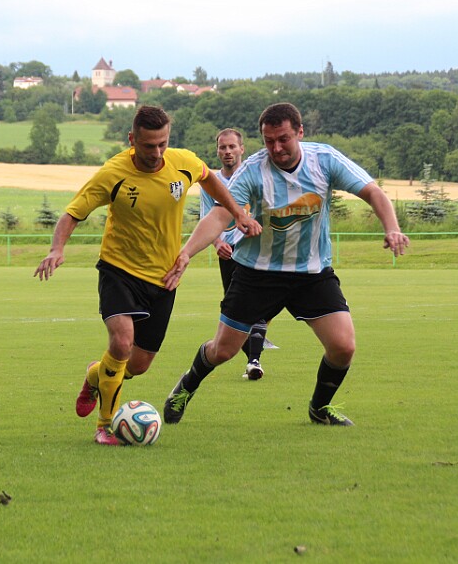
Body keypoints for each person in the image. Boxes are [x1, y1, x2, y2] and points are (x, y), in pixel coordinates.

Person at [162, 102, 410, 426]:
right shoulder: (252, 170)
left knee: (343, 346)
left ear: (300, 133)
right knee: (222, 350)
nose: (276, 148)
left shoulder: (325, 160)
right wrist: (186, 253)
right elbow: (219, 215)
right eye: (269, 141)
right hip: (257, 273)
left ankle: (319, 408)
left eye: (283, 139)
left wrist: (392, 227)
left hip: (312, 273)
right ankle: (186, 386)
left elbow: (373, 192)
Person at [33, 105, 260, 445]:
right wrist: (56, 248)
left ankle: (95, 375)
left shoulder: (182, 162)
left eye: (162, 144)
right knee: (121, 343)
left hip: (163, 278)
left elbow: (210, 178)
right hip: (118, 270)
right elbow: (72, 213)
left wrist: (236, 212)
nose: (156, 153)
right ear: (132, 140)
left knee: (137, 365)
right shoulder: (113, 173)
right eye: (148, 145)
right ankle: (105, 426)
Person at [204, 128, 278, 381]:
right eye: (222, 147)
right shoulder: (212, 183)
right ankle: (252, 354)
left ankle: (254, 360)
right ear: (217, 150)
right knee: (237, 309)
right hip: (229, 253)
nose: (227, 152)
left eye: (232, 147)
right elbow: (208, 218)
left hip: (256, 249)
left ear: (242, 149)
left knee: (259, 305)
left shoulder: (256, 175)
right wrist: (216, 242)